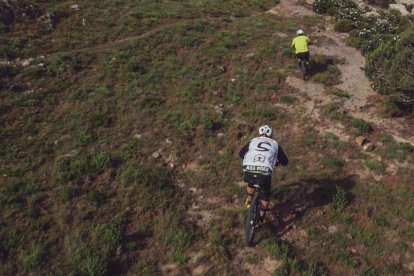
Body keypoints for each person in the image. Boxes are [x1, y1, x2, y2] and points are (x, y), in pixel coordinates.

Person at [239, 125, 288, 223]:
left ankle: (249, 200)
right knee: (265, 195)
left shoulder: (253, 141)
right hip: (264, 174)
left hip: (250, 169)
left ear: (259, 133)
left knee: (250, 183)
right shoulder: (275, 144)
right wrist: (278, 163)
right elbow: (285, 161)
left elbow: (241, 153)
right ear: (271, 135)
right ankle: (261, 217)